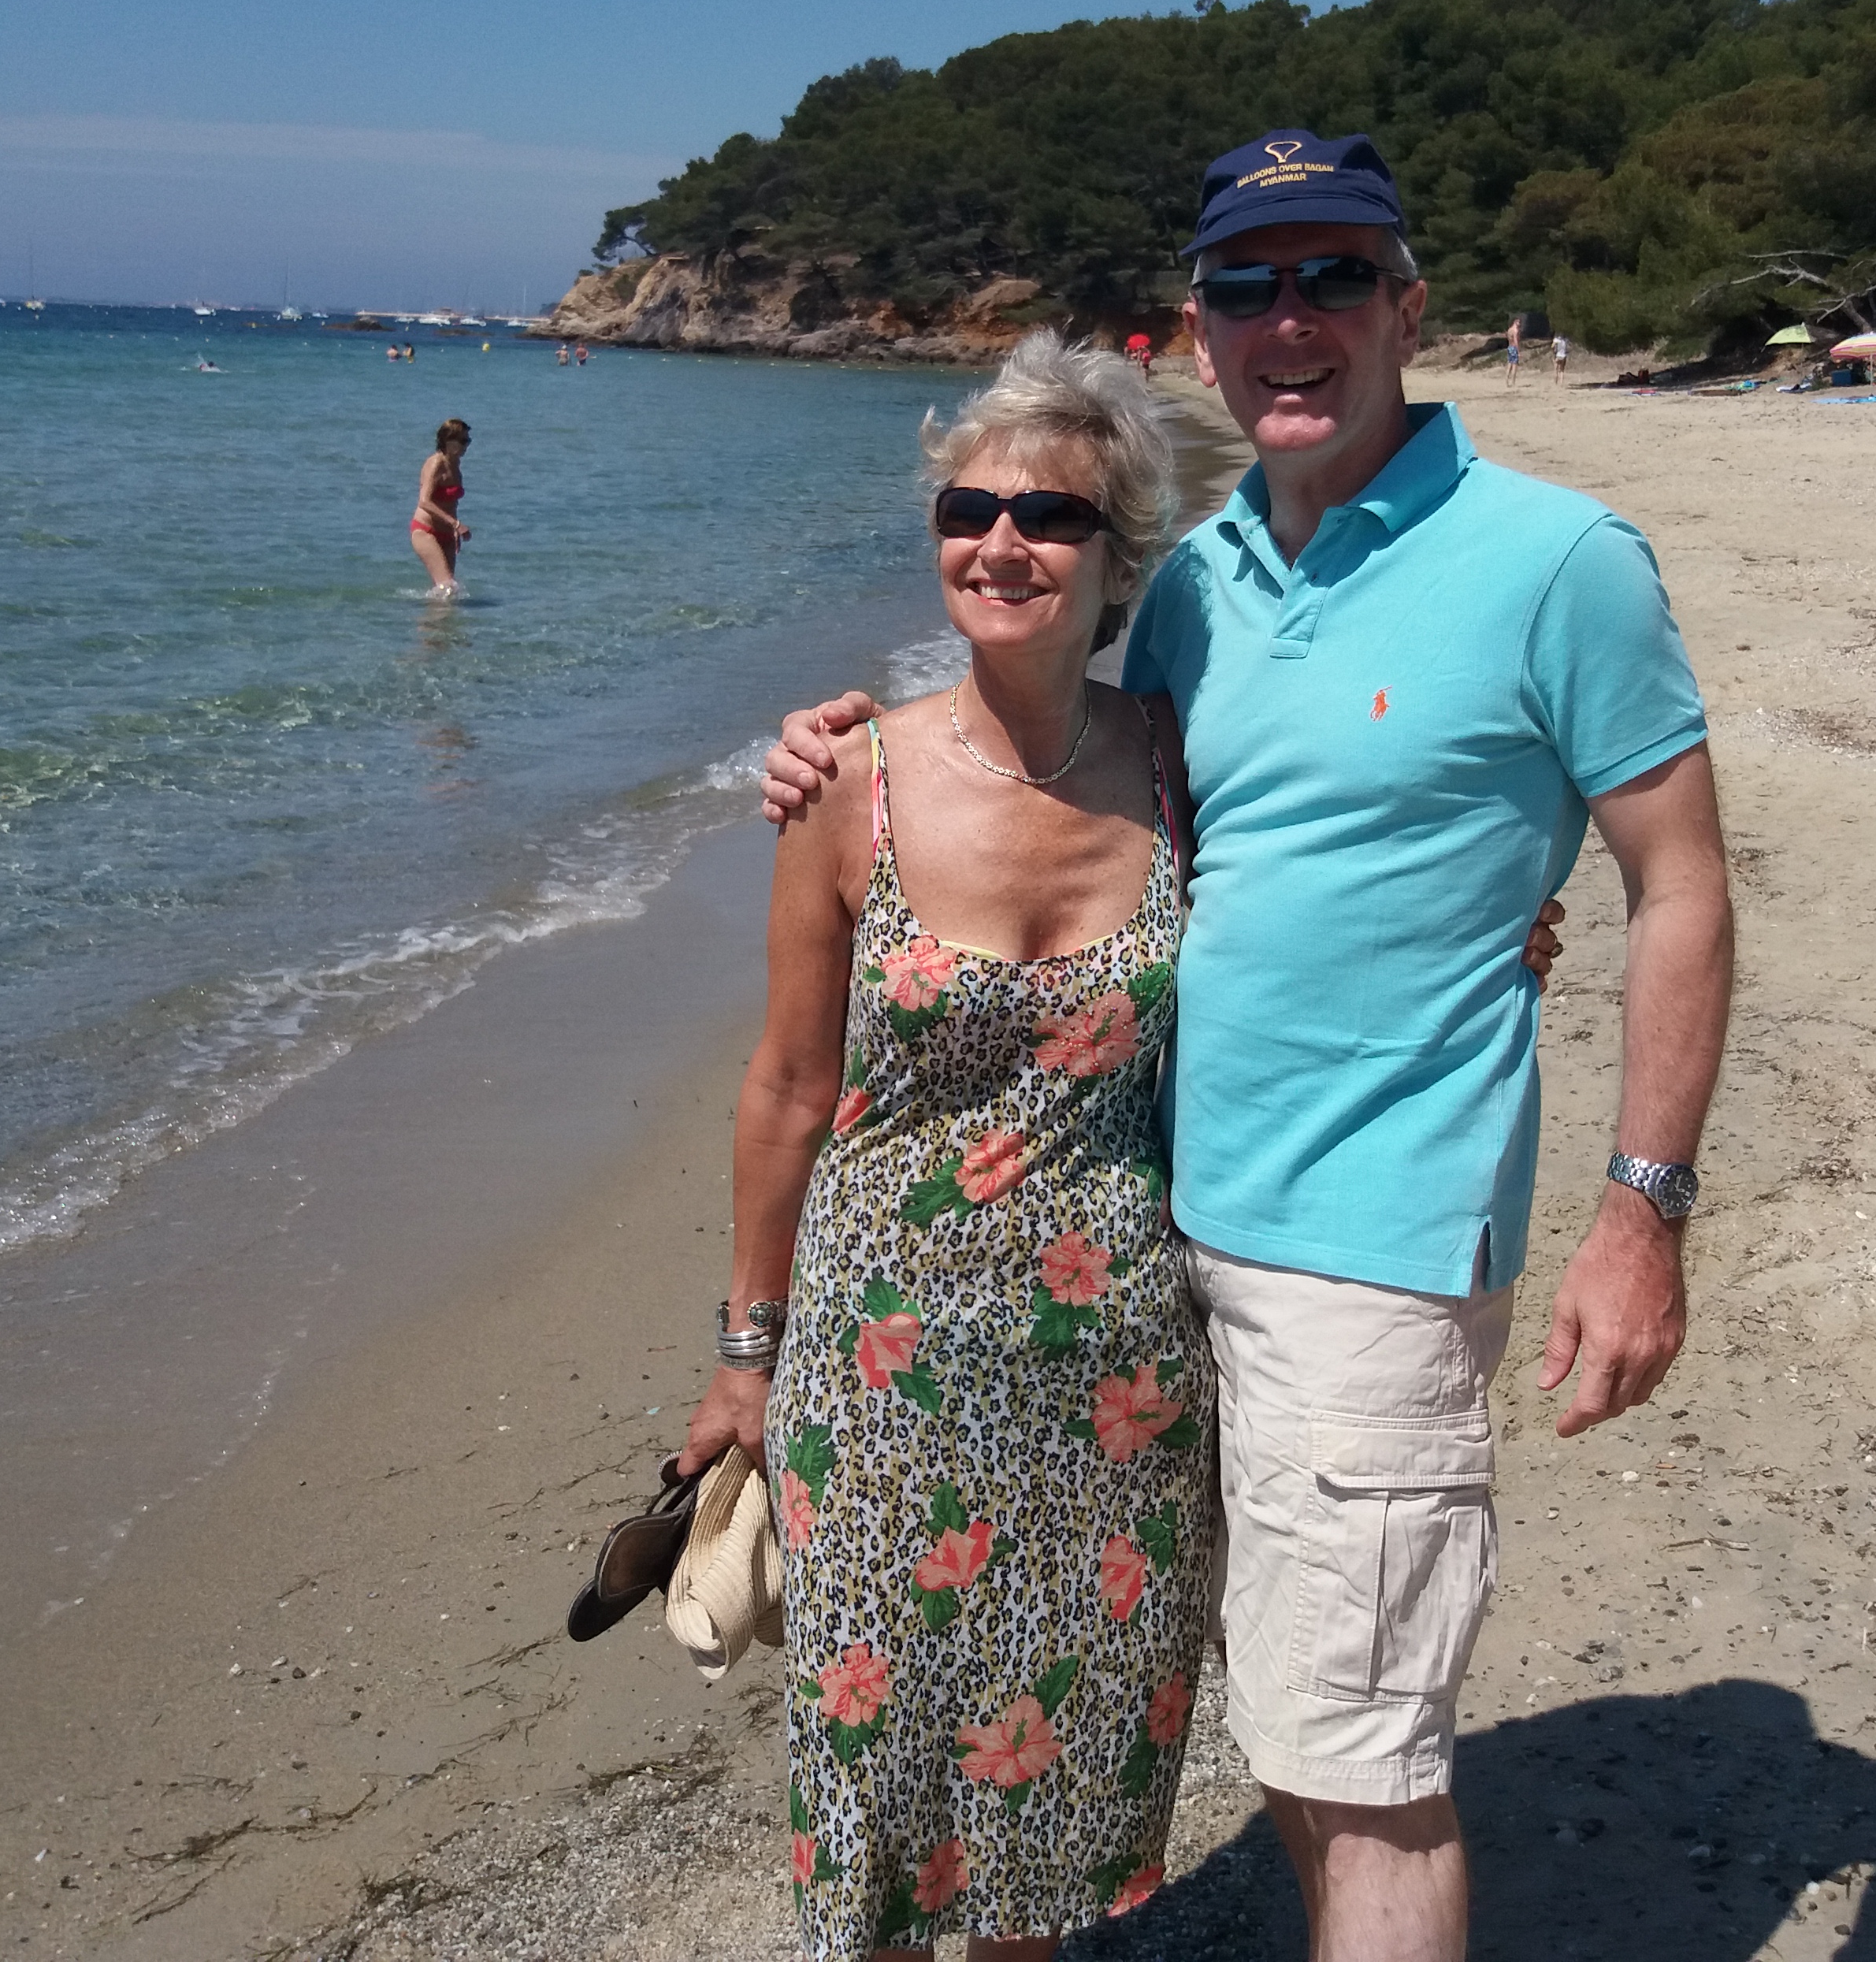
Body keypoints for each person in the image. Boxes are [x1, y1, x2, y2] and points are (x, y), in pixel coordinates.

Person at [767, 130, 1733, 1961]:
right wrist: (837, 748)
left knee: (1356, 1766)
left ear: (1407, 306)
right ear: (1199, 326)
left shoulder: (1558, 561)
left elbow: (1677, 881)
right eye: (1245, 285)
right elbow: (1107, 778)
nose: (1289, 319)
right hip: (1154, 1253)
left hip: (1366, 1250)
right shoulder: (1199, 590)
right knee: (1281, 1733)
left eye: (1332, 276)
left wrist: (1641, 1206)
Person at [683, 338, 1215, 1957]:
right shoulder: (849, 777)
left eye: (1048, 514)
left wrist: (1496, 924)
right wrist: (743, 1356)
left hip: (1114, 1386)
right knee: (880, 1794)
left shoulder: (1185, 767)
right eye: (966, 508)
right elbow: (787, 1085)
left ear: (1118, 554)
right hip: (880, 1379)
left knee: (1044, 1817)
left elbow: (1354, 884)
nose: (999, 542)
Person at [410, 417, 471, 596]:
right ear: (448, 441)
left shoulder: (455, 464)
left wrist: (453, 530)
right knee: (448, 587)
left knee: (447, 591)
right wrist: (456, 524)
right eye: (463, 441)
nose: (467, 445)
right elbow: (424, 501)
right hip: (425, 531)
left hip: (447, 534)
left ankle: (435, 614)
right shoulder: (436, 463)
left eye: (468, 440)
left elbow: (452, 503)